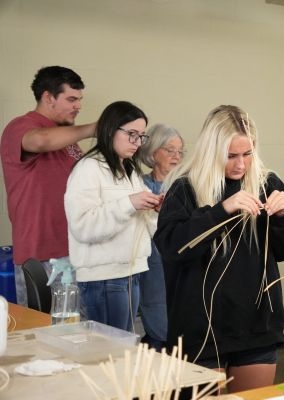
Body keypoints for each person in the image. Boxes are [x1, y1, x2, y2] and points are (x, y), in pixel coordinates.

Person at [154, 105, 284, 393]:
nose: (241, 165)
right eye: (231, 156)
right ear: (212, 150)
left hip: (255, 324)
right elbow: (172, 247)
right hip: (200, 329)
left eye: (247, 154)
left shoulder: (267, 182)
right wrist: (221, 210)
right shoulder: (185, 188)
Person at [0, 66, 95, 306]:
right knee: (42, 335)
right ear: (48, 97)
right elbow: (40, 141)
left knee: (73, 334)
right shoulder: (20, 126)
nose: (78, 106)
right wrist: (96, 128)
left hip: (74, 249)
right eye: (71, 99)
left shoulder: (66, 138)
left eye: (79, 100)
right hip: (41, 253)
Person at [64, 101, 162, 331]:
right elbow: (83, 226)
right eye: (131, 134)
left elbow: (145, 225)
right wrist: (129, 203)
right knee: (111, 349)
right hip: (104, 276)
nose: (137, 143)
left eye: (141, 136)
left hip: (132, 270)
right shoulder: (88, 168)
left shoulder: (130, 170)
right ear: (110, 128)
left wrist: (155, 208)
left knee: (123, 345)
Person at [137, 123, 185, 350]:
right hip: (151, 264)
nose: (176, 156)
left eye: (180, 151)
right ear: (153, 152)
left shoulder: (185, 185)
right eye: (169, 150)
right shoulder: (140, 184)